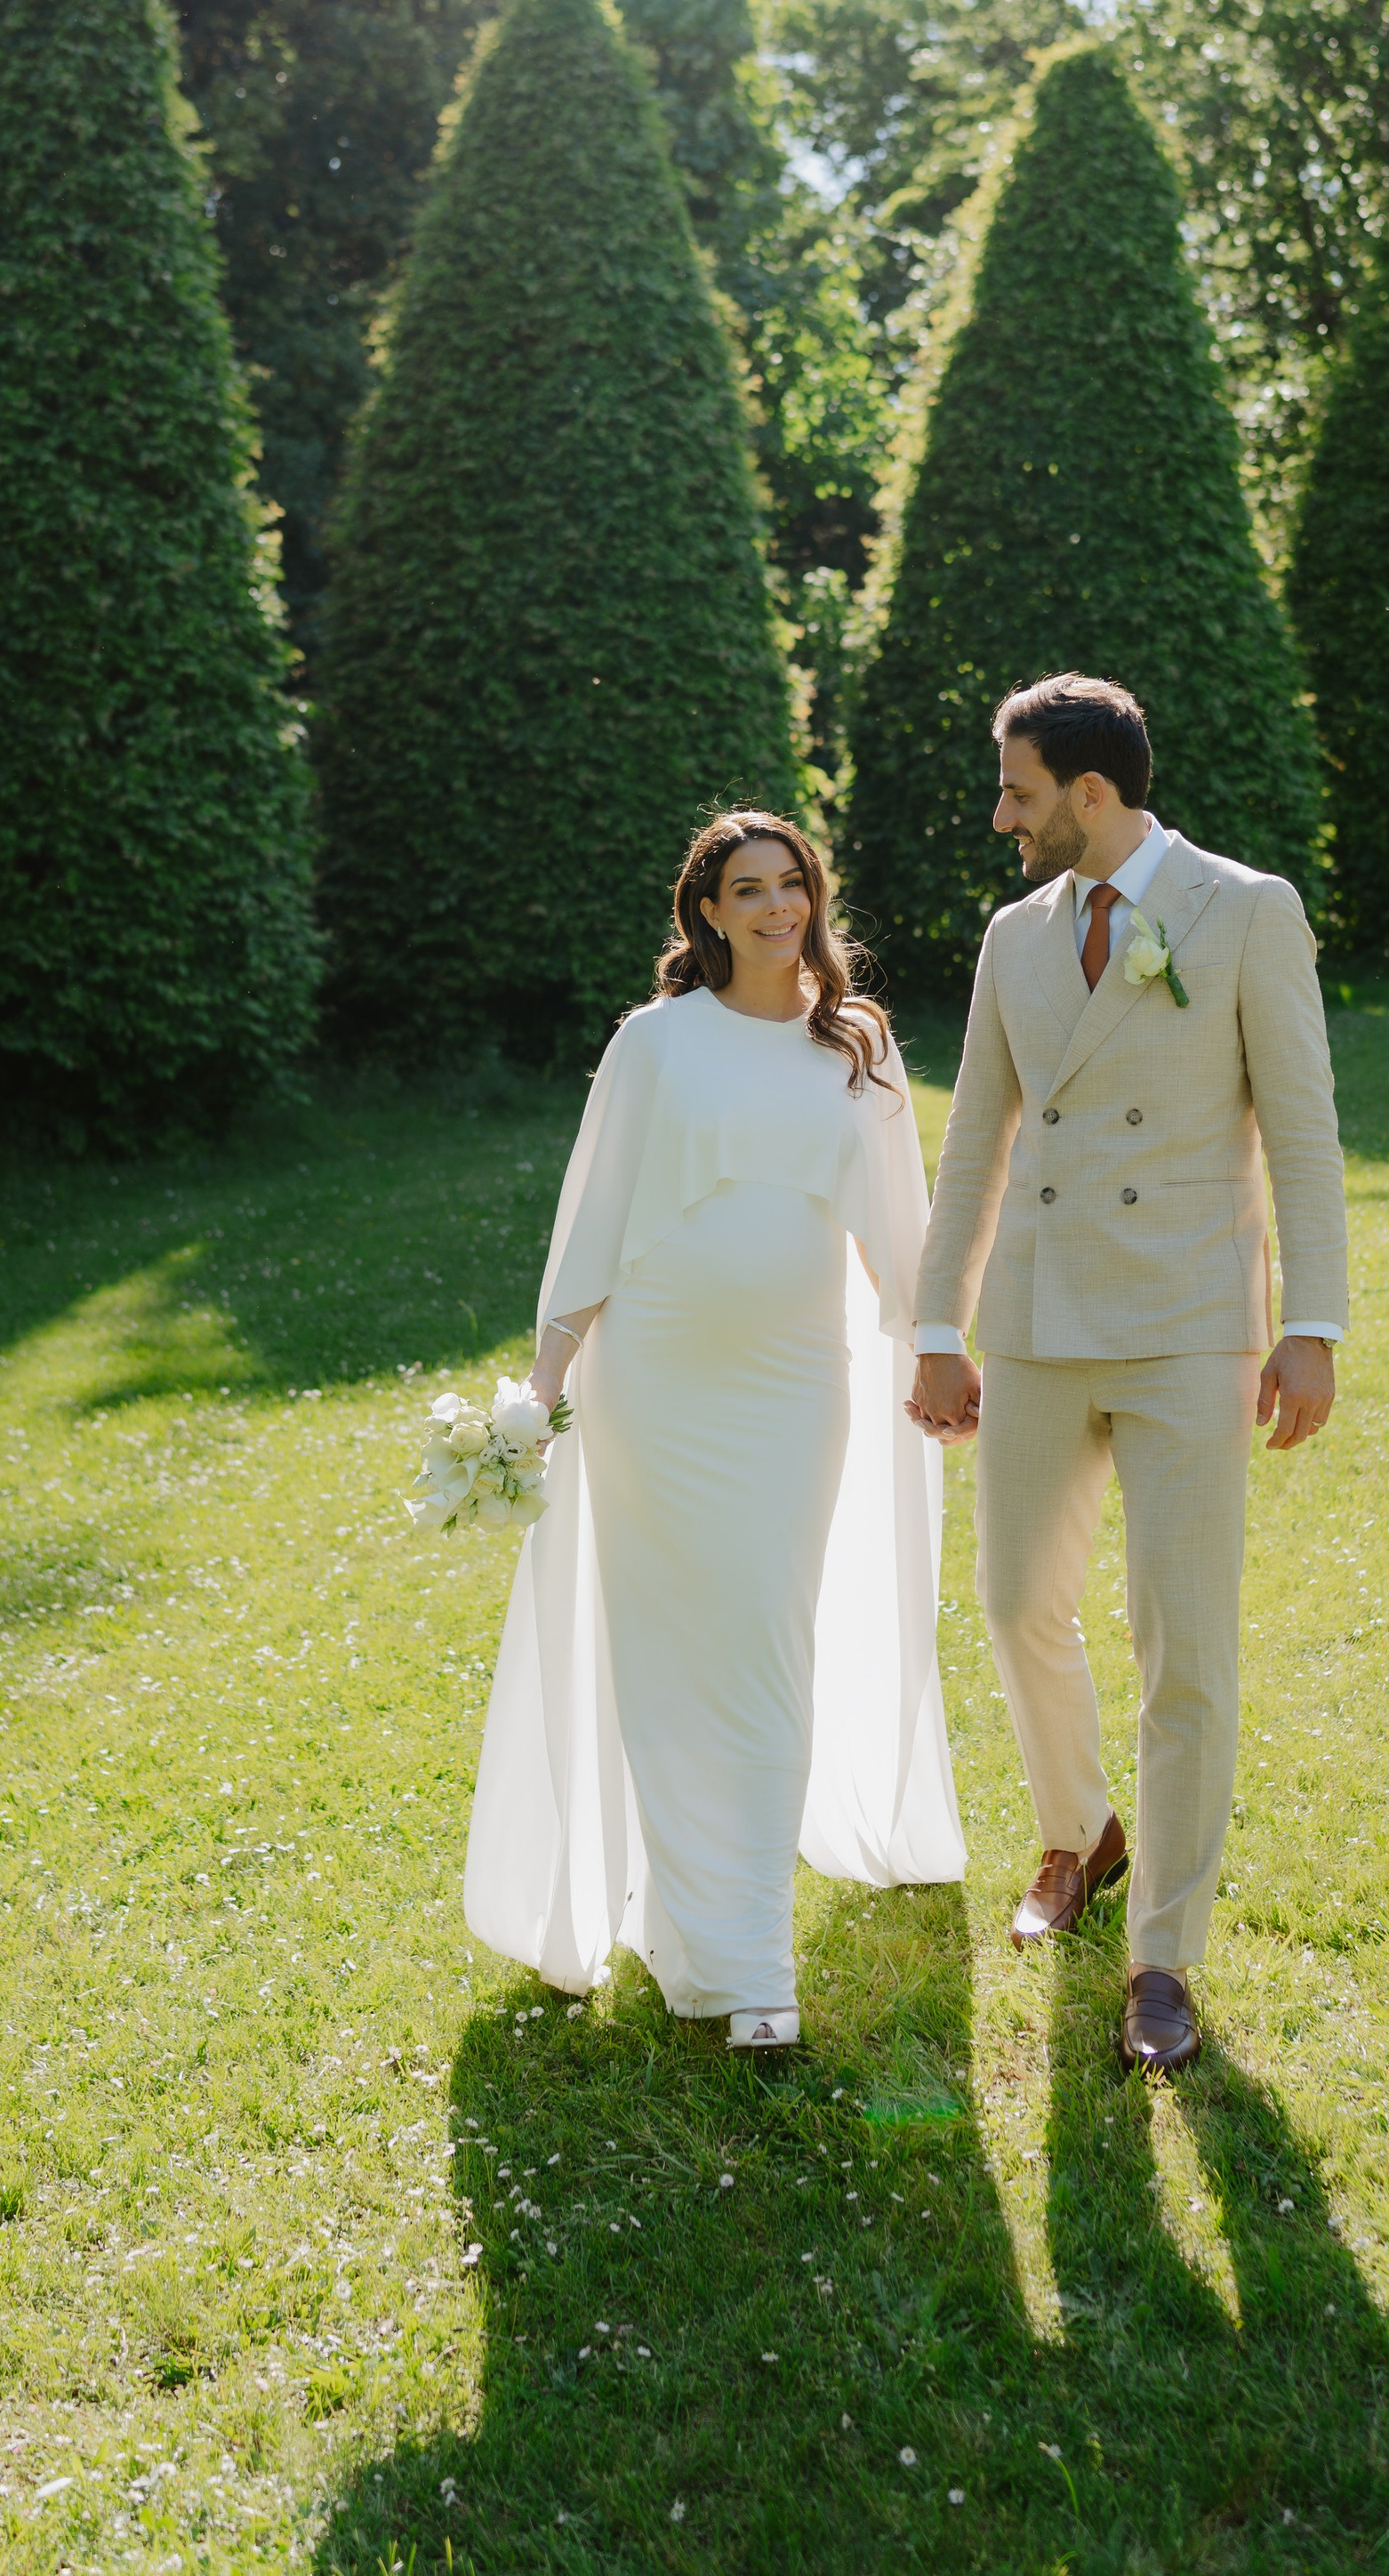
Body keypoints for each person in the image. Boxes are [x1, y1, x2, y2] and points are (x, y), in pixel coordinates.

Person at [462, 811, 964, 2049]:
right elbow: (594, 1227)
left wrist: (934, 1346)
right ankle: (729, 1963)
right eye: (749, 889)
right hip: (658, 1390)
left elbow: (901, 1228)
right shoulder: (655, 1045)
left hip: (796, 1388)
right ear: (708, 911)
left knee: (765, 1645)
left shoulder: (858, 1044)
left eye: (793, 884)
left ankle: (746, 1953)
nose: (777, 907)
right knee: (674, 1662)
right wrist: (543, 1388)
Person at [908, 674, 1348, 2075]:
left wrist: (1314, 1323)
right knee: (1015, 1604)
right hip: (1036, 1322)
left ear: (1091, 794)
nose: (1002, 816)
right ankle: (1077, 1832)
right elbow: (975, 1145)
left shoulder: (1246, 910)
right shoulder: (1011, 938)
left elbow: (1305, 1132)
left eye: (1018, 791)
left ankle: (1163, 1954)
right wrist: (937, 1325)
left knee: (1185, 1648)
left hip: (1188, 1326)